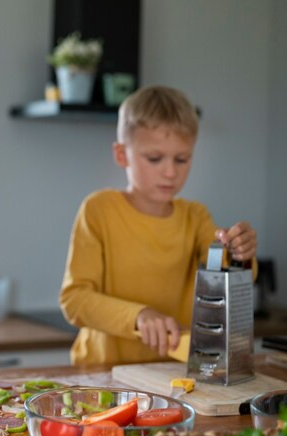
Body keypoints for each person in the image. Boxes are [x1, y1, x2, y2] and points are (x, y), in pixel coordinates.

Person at [59, 85, 257, 366]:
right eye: (154, 158)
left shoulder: (196, 217)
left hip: (170, 373)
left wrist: (241, 254)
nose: (170, 172)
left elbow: (229, 277)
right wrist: (138, 316)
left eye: (182, 159)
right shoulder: (98, 210)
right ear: (121, 155)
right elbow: (74, 300)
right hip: (102, 372)